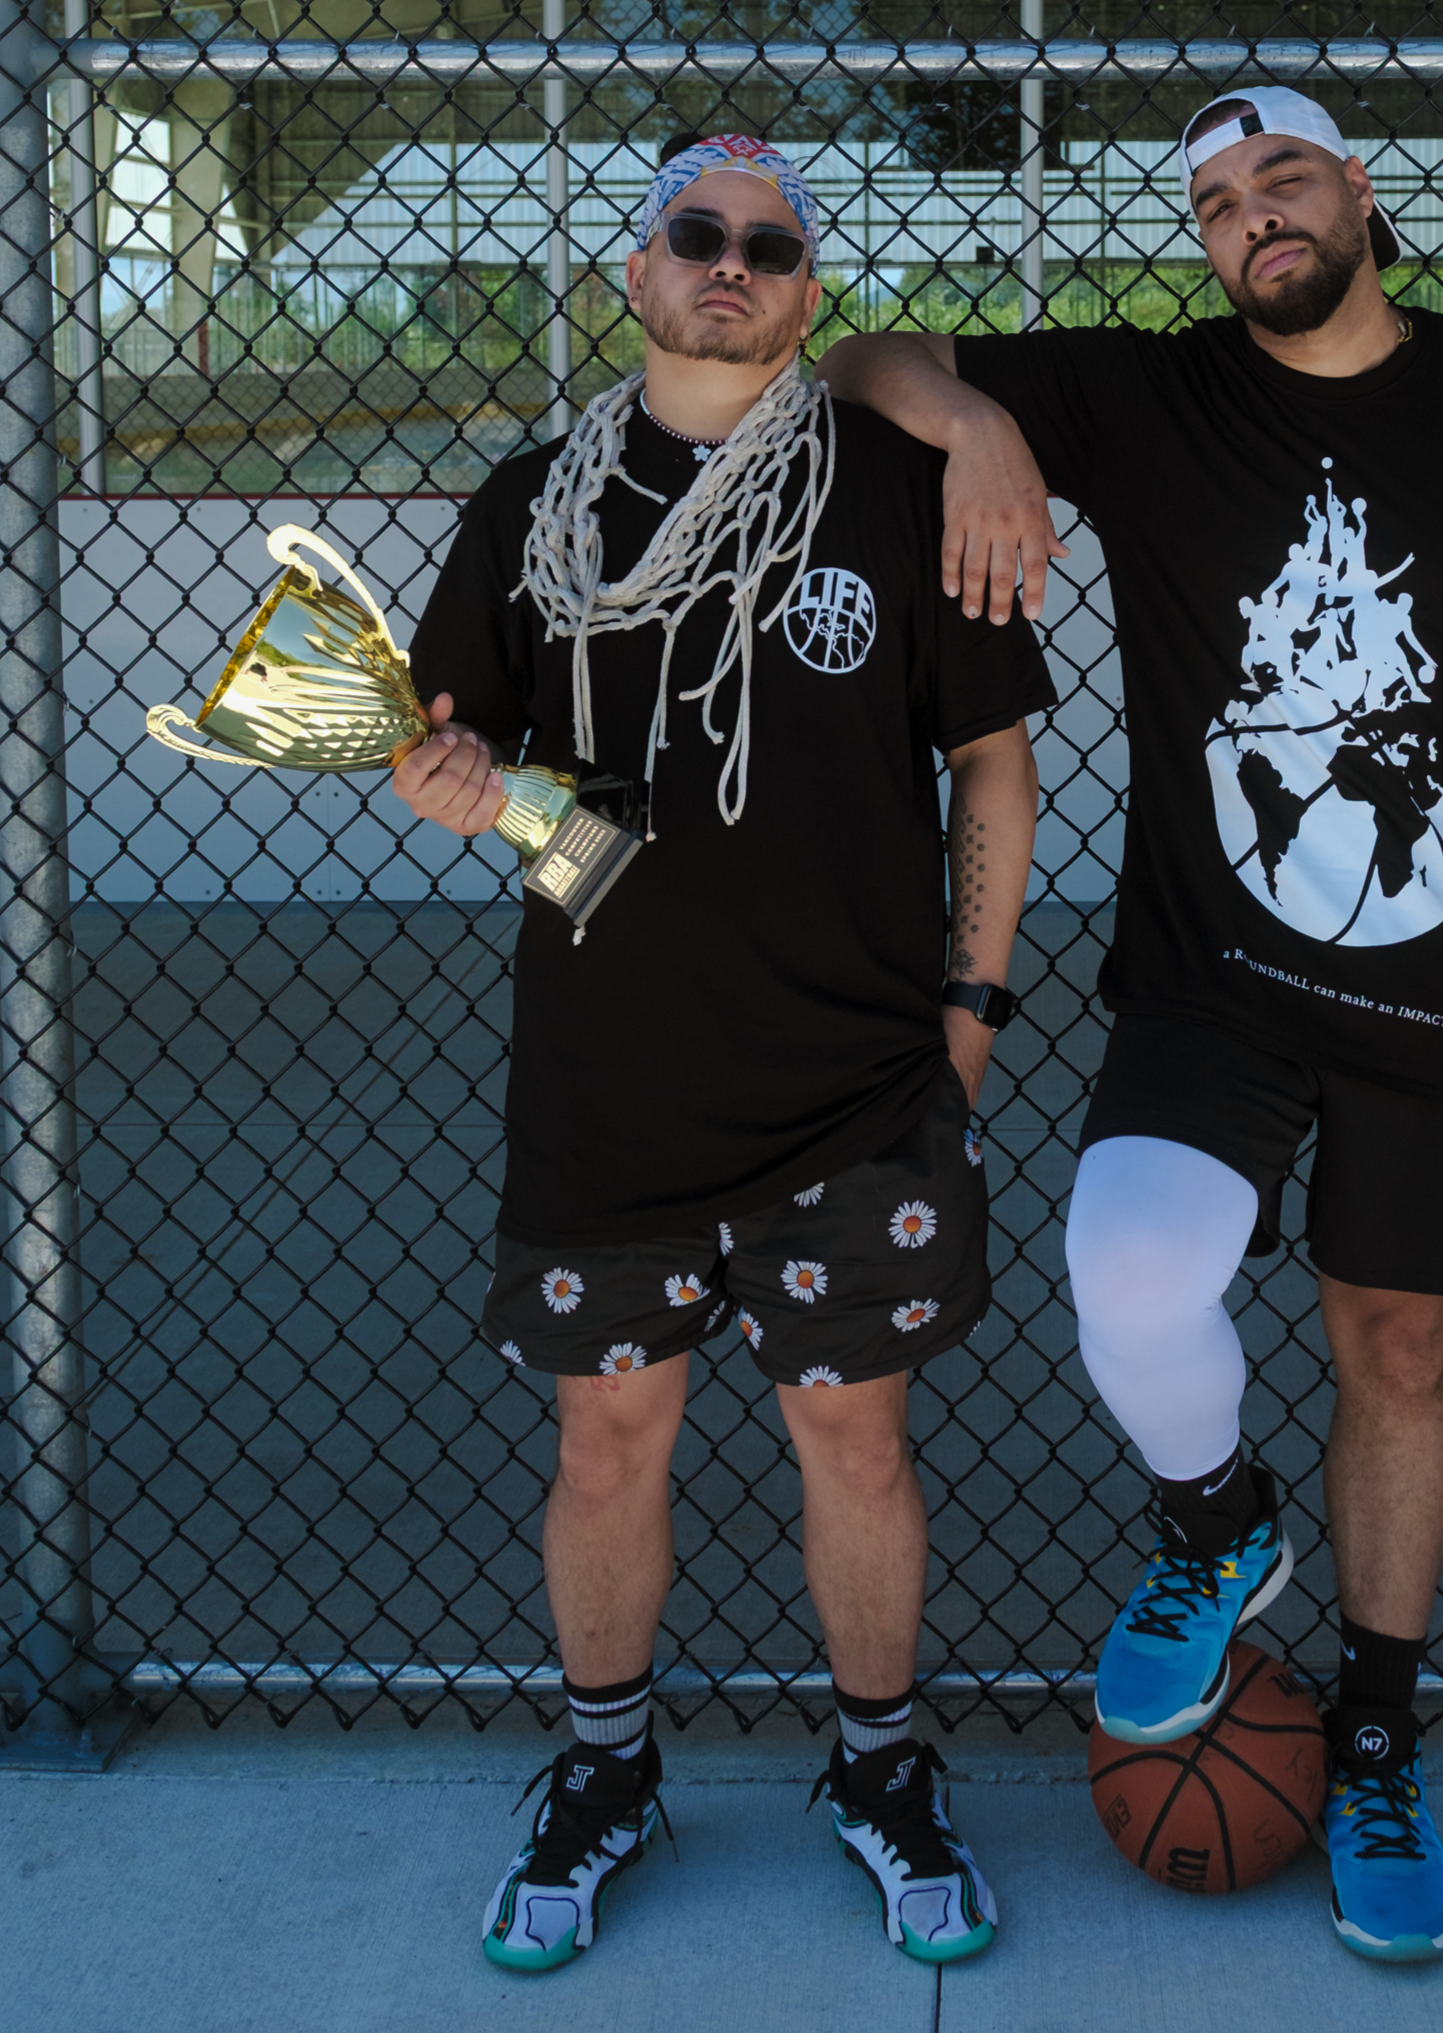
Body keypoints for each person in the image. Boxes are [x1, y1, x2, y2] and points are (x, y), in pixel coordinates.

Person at [818, 86, 1443, 1964]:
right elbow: (865, 361)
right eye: (1215, 203)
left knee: (1399, 1352)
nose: (1251, 218)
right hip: (1216, 969)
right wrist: (977, 425)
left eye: (1281, 179)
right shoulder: (1153, 394)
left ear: (1358, 192)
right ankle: (1218, 1526)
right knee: (1128, 1271)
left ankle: (1374, 1738)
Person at [395, 130, 1053, 1973]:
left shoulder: (896, 487)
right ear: (637, 272)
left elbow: (994, 764)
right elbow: (460, 752)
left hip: (856, 1082)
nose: (730, 264)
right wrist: (459, 789)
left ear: (807, 293)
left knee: (857, 1442)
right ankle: (608, 1770)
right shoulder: (530, 505)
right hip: (610, 1080)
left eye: (768, 245)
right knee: (610, 1441)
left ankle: (880, 1768)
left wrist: (970, 1017)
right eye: (696, 233)